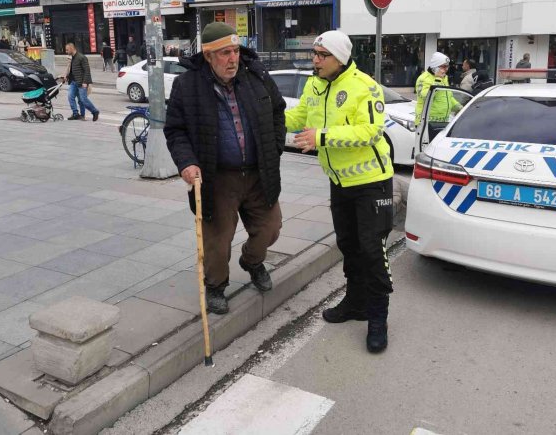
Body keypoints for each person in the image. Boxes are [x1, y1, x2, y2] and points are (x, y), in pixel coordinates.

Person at [164, 23, 286, 315]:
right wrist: (186, 162)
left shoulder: (255, 76)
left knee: (271, 228)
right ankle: (216, 286)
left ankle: (252, 262)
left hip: (258, 174)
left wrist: (274, 147)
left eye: (235, 51)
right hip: (217, 178)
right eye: (224, 53)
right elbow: (176, 130)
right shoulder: (187, 86)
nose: (233, 59)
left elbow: (277, 112)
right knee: (217, 243)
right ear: (208, 56)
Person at [285, 30, 394, 353]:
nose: (315, 61)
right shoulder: (314, 85)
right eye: (314, 55)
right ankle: (356, 303)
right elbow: (298, 117)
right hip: (339, 182)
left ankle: (377, 317)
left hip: (372, 182)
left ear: (340, 58)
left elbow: (371, 130)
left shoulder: (364, 87)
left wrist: (322, 136)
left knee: (371, 249)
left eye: (321, 55)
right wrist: (268, 113)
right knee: (348, 245)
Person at [415, 52, 461, 126]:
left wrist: (458, 107)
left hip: (443, 120)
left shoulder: (444, 77)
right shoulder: (423, 78)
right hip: (427, 122)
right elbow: (424, 96)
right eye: (443, 67)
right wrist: (437, 81)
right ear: (435, 67)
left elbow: (448, 97)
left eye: (447, 66)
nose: (446, 69)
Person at [65, 42, 99, 121]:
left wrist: (85, 82)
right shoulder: (72, 58)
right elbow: (72, 70)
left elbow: (87, 70)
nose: (66, 52)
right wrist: (67, 76)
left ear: (71, 48)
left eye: (67, 50)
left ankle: (94, 111)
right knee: (70, 97)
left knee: (83, 100)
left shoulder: (82, 57)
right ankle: (75, 113)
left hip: (81, 82)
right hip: (73, 82)